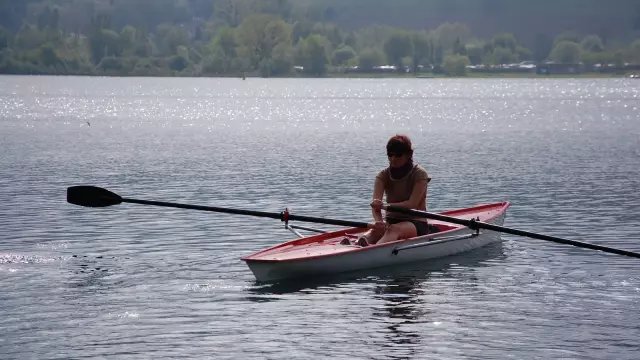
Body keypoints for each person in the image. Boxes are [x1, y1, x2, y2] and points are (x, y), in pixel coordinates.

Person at [342, 134, 439, 247]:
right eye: (390, 155)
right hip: (390, 221)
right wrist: (379, 221)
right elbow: (376, 205)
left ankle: (371, 251)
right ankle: (357, 244)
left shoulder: (420, 174)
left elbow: (412, 204)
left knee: (393, 230)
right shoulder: (382, 176)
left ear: (409, 155)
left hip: (416, 223)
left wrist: (385, 206)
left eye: (398, 155)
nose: (393, 159)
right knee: (376, 230)